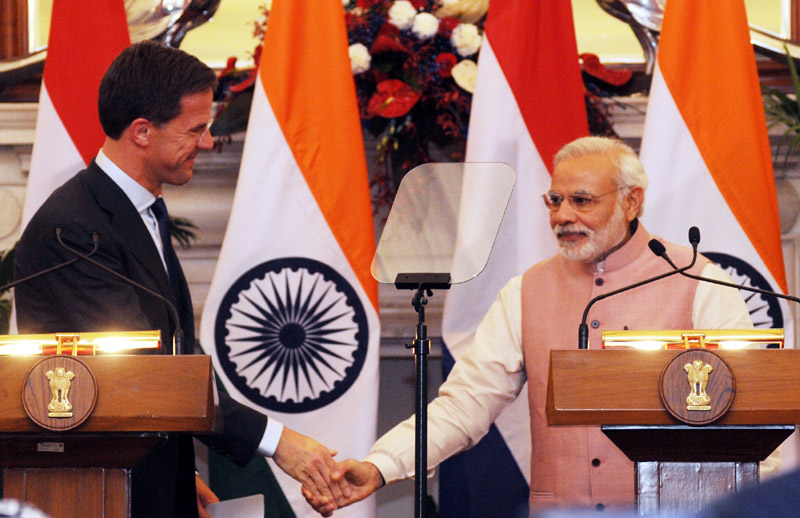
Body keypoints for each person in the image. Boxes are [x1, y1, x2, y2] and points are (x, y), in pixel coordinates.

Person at [304, 136, 756, 516]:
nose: (562, 216)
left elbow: (753, 414)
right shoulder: (527, 290)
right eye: (555, 201)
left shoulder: (699, 281)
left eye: (582, 201)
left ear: (631, 200)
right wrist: (381, 465)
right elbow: (465, 405)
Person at [13, 41, 348, 518]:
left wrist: (177, 471)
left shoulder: (142, 208)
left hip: (141, 473)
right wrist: (278, 442)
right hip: (96, 492)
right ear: (143, 132)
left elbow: (166, 352)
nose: (209, 142)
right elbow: (142, 371)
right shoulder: (74, 229)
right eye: (197, 129)